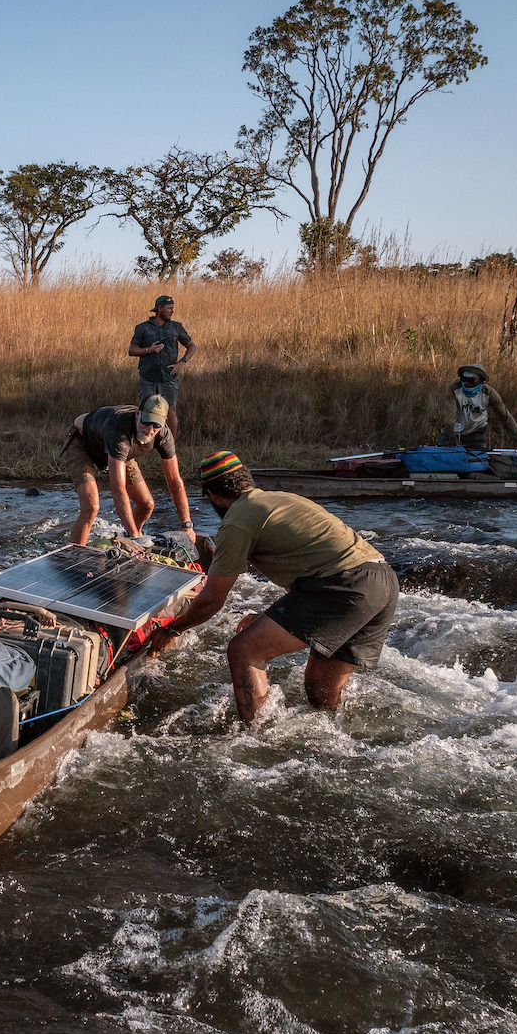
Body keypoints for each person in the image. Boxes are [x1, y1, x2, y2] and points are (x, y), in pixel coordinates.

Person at [149, 451, 399, 724]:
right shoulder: (282, 499)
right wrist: (274, 615)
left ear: (213, 496)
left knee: (244, 650)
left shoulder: (237, 519)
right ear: (246, 481)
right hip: (382, 581)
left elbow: (212, 599)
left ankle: (258, 740)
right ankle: (332, 741)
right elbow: (314, 563)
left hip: (343, 587)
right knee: (321, 692)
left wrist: (173, 628)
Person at [62, 396, 196, 546]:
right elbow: (118, 489)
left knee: (146, 504)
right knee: (91, 506)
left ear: (164, 421)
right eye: (146, 422)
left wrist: (187, 525)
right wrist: (135, 538)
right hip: (82, 443)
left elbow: (174, 480)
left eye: (156, 424)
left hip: (117, 452)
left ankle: (127, 540)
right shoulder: (120, 430)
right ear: (138, 414)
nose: (150, 429)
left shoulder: (163, 435)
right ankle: (73, 553)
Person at [128, 294, 197, 438]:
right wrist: (149, 350)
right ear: (159, 309)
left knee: (171, 411)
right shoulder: (143, 328)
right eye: (169, 308)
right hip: (148, 376)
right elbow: (132, 350)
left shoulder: (176, 327)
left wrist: (182, 362)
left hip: (169, 377)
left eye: (173, 308)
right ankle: (145, 441)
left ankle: (170, 444)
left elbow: (192, 346)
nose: (172, 311)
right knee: (146, 410)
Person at [442, 363, 517, 451]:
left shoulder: (489, 393)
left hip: (476, 433)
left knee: (476, 461)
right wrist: (452, 437)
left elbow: (506, 418)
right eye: (464, 379)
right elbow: (450, 418)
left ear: (481, 381)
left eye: (471, 380)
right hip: (452, 432)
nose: (466, 383)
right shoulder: (453, 389)